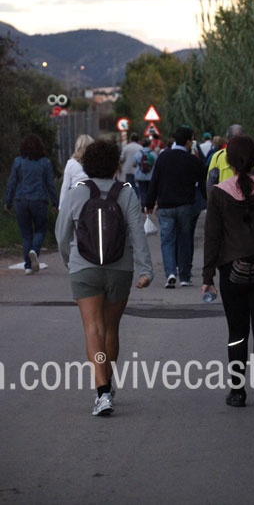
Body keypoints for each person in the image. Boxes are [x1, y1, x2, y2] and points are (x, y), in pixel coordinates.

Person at [55, 139, 153, 416]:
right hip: (119, 269)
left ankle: (102, 393)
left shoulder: (76, 193)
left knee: (93, 329)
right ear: (115, 165)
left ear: (86, 164)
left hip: (84, 268)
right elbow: (138, 233)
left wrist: (71, 262)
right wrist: (146, 269)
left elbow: (61, 235)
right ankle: (107, 384)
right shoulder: (127, 193)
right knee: (111, 329)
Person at [202, 135, 254, 416]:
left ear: (228, 162)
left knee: (237, 333)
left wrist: (207, 276)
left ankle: (238, 391)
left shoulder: (218, 193)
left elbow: (212, 238)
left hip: (232, 271)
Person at [145, 125, 207, 288]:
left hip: (165, 206)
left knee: (167, 240)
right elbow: (203, 176)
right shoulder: (191, 159)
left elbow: (155, 180)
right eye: (191, 140)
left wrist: (149, 203)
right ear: (188, 142)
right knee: (185, 240)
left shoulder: (163, 157)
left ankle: (170, 273)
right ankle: (185, 276)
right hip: (185, 205)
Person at [4, 134, 59, 275]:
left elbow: (12, 183)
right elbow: (50, 185)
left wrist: (7, 202)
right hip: (39, 200)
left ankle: (28, 267)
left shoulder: (18, 162)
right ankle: (34, 250)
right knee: (40, 229)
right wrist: (55, 202)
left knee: (26, 234)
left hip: (20, 200)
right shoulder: (45, 163)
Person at [206, 124, 254, 194]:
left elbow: (211, 183)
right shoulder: (250, 155)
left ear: (227, 139)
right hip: (248, 197)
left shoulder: (217, 156)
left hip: (225, 197)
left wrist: (213, 199)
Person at [59, 134, 94, 208]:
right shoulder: (95, 164)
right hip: (91, 200)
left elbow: (65, 187)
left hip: (75, 200)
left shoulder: (71, 163)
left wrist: (61, 207)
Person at [133, 138, 158, 209]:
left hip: (140, 176)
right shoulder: (153, 154)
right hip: (151, 176)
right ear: (149, 144)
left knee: (142, 191)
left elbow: (134, 164)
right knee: (150, 191)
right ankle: (149, 205)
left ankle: (143, 205)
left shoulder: (138, 153)